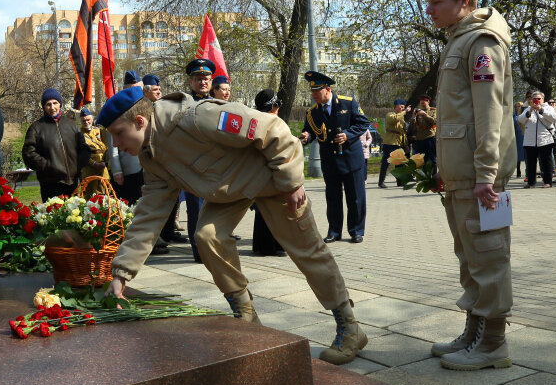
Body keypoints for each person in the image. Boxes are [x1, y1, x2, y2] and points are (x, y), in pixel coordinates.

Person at [100, 86, 369, 365]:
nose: (116, 143)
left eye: (118, 133)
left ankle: (349, 327)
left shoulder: (197, 117)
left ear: (140, 122)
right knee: (206, 236)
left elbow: (272, 128)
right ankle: (247, 316)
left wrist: (291, 181)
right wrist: (121, 273)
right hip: (229, 191)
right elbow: (149, 214)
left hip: (274, 180)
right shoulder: (151, 155)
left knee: (307, 251)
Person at [423, 0, 516, 371]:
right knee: (470, 254)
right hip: (463, 174)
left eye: (436, 1)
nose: (429, 10)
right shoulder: (459, 39)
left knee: (489, 254)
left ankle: (493, 343)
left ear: (463, 0)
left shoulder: (482, 41)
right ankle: (474, 331)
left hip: (482, 177)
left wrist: (486, 174)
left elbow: (490, 112)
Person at [300, 71, 371, 243]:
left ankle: (356, 231)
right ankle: (334, 231)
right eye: (312, 92)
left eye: (317, 91)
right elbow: (310, 131)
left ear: (327, 89)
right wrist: (306, 137)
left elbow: (363, 122)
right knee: (332, 197)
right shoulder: (313, 112)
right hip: (330, 161)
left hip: (350, 159)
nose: (314, 95)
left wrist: (347, 134)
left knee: (355, 197)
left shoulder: (348, 102)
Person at [144, 73, 188, 247]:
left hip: (170, 161)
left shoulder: (162, 106)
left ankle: (169, 232)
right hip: (154, 161)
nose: (159, 92)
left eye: (159, 89)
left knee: (174, 198)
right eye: (155, 89)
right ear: (145, 91)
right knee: (157, 201)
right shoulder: (143, 109)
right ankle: (156, 237)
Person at [22, 88, 90, 201]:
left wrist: (77, 166)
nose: (52, 107)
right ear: (44, 107)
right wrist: (47, 166)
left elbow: (84, 148)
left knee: (74, 217)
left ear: (60, 104)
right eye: (48, 104)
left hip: (72, 183)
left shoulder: (71, 125)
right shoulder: (36, 128)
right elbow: (28, 153)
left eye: (55, 103)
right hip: (50, 184)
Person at [182, 58, 217, 262]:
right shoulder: (185, 105)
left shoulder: (217, 104)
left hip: (215, 166)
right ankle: (199, 251)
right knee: (195, 209)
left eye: (206, 78)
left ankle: (212, 246)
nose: (202, 82)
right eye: (198, 78)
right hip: (193, 167)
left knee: (213, 209)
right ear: (191, 82)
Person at [251, 89, 286, 257]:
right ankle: (275, 246)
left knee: (262, 210)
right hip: (273, 171)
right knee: (276, 210)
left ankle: (261, 246)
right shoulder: (274, 122)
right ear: (274, 106)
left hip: (258, 173)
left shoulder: (254, 121)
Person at [108, 73, 146, 204]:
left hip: (148, 170)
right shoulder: (117, 111)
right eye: (130, 89)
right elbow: (113, 146)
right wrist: (117, 170)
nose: (135, 93)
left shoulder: (149, 107)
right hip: (129, 170)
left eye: (138, 89)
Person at [518, 91, 556, 188]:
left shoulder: (548, 108)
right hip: (530, 140)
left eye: (538, 98)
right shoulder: (527, 108)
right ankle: (531, 182)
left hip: (545, 139)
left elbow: (553, 118)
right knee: (530, 163)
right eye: (534, 98)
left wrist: (541, 110)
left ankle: (547, 182)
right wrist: (529, 111)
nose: (536, 100)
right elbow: (520, 120)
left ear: (543, 100)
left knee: (546, 162)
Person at [378, 99, 409, 188]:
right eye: (401, 107)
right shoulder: (390, 115)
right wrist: (405, 112)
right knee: (386, 162)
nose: (403, 109)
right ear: (396, 107)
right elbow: (394, 120)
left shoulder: (401, 118)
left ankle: (399, 181)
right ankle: (381, 182)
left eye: (404, 107)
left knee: (399, 163)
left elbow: (402, 133)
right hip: (390, 142)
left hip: (398, 143)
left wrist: (405, 145)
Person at [79, 108, 109, 195]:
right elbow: (81, 153)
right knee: (91, 196)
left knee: (105, 193)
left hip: (103, 168)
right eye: (83, 121)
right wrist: (94, 164)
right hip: (89, 169)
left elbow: (106, 147)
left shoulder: (98, 130)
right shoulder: (78, 134)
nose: (86, 122)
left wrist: (104, 162)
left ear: (92, 119)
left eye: (88, 119)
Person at [413, 96, 438, 165]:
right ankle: (424, 175)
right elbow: (413, 125)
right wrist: (414, 116)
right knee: (422, 160)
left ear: (428, 102)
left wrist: (425, 115)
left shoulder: (433, 111)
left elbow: (435, 122)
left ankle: (433, 175)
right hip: (420, 138)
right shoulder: (418, 112)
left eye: (424, 103)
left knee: (432, 159)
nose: (422, 105)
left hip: (430, 137)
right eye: (421, 103)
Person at [512, 102, 525, 178]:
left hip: (524, 135)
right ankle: (518, 171)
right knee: (517, 154)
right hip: (516, 136)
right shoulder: (513, 116)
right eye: (516, 106)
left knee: (526, 153)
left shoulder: (525, 114)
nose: (517, 108)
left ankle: (528, 171)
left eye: (519, 106)